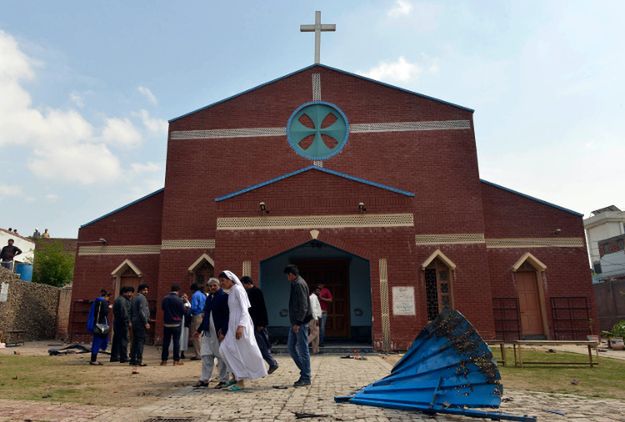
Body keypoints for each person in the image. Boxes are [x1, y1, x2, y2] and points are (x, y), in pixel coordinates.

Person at [218, 270, 267, 391]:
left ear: (230, 280)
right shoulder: (231, 292)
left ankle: (240, 381)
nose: (221, 283)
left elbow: (245, 310)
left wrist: (241, 326)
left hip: (241, 325)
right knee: (224, 349)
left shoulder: (238, 290)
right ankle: (236, 376)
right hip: (233, 325)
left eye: (223, 281)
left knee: (237, 352)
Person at [193, 277, 230, 388]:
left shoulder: (224, 297)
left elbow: (227, 316)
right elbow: (206, 315)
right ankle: (204, 379)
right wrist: (199, 330)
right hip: (208, 331)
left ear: (219, 286)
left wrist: (223, 331)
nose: (212, 287)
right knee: (206, 355)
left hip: (219, 332)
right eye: (210, 286)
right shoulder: (209, 298)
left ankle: (224, 380)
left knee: (221, 357)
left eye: (214, 285)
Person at [241, 276, 279, 374]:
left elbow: (261, 308)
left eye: (243, 284)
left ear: (248, 283)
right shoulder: (248, 293)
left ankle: (272, 363)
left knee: (261, 346)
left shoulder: (256, 291)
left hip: (258, 324)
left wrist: (261, 323)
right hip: (252, 323)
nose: (243, 286)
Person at [284, 264, 312, 387]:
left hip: (300, 322)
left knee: (303, 349)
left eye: (287, 275)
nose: (287, 278)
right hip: (295, 322)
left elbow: (303, 306)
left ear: (292, 275)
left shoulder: (299, 284)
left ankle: (306, 377)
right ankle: (305, 372)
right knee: (291, 347)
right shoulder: (295, 283)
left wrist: (298, 323)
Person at [161, 284, 186, 366]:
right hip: (176, 323)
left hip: (167, 323)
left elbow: (163, 308)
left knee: (166, 342)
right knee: (176, 342)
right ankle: (176, 360)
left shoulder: (165, 298)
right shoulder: (179, 300)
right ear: (178, 291)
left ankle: (164, 360)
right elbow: (183, 311)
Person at [87, 290, 111, 365]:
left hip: (96, 324)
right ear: (106, 296)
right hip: (101, 325)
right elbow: (104, 313)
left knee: (96, 342)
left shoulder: (96, 301)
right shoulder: (103, 302)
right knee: (98, 342)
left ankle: (93, 359)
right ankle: (93, 360)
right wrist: (108, 307)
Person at [110, 286, 133, 363]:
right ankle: (123, 357)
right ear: (124, 292)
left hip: (117, 323)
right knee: (124, 340)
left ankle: (114, 356)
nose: (130, 294)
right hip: (122, 323)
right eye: (129, 292)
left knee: (116, 340)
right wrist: (128, 322)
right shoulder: (122, 300)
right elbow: (124, 313)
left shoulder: (119, 299)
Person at [129, 284, 150, 367]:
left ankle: (133, 360)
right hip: (140, 323)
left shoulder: (134, 298)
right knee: (140, 342)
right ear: (141, 290)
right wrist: (146, 322)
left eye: (147, 290)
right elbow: (142, 311)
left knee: (134, 342)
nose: (146, 292)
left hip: (135, 322)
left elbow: (130, 311)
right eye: (145, 290)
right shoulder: (142, 298)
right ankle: (139, 360)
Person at [189, 282, 206, 360]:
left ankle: (198, 354)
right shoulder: (203, 295)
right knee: (201, 335)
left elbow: (193, 307)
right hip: (203, 315)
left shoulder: (195, 295)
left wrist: (188, 311)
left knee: (196, 335)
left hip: (196, 316)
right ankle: (202, 353)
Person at [308, 286, 322, 355]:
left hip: (315, 317)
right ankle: (301, 345)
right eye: (318, 291)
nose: (319, 292)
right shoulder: (313, 297)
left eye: (320, 291)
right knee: (314, 334)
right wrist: (316, 318)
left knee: (316, 335)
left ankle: (316, 350)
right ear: (314, 291)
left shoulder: (314, 297)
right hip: (313, 318)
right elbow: (313, 308)